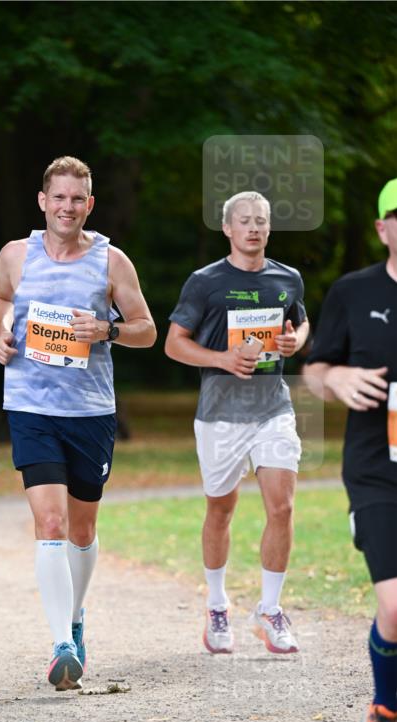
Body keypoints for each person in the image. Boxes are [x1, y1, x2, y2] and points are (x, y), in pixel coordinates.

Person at [0, 155, 156, 691]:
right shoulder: (17, 254)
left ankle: (77, 616)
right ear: (43, 201)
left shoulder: (112, 261)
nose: (67, 207)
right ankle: (62, 643)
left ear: (90, 204)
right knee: (52, 525)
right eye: (58, 197)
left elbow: (147, 329)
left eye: (77, 198)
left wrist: (105, 330)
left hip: (89, 411)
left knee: (82, 529)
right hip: (31, 404)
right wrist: (0, 332)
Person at [165, 191, 310, 655]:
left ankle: (269, 611)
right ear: (227, 228)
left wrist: (294, 341)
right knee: (221, 510)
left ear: (269, 228)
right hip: (220, 415)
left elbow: (299, 325)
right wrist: (223, 360)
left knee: (282, 507)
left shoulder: (288, 279)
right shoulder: (205, 282)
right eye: (244, 221)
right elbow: (173, 344)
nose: (254, 228)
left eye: (261, 221)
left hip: (273, 409)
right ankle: (216, 605)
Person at [304, 178, 397, 722]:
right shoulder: (353, 291)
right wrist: (334, 381)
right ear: (384, 226)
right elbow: (314, 367)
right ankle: (385, 709)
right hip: (375, 468)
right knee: (395, 604)